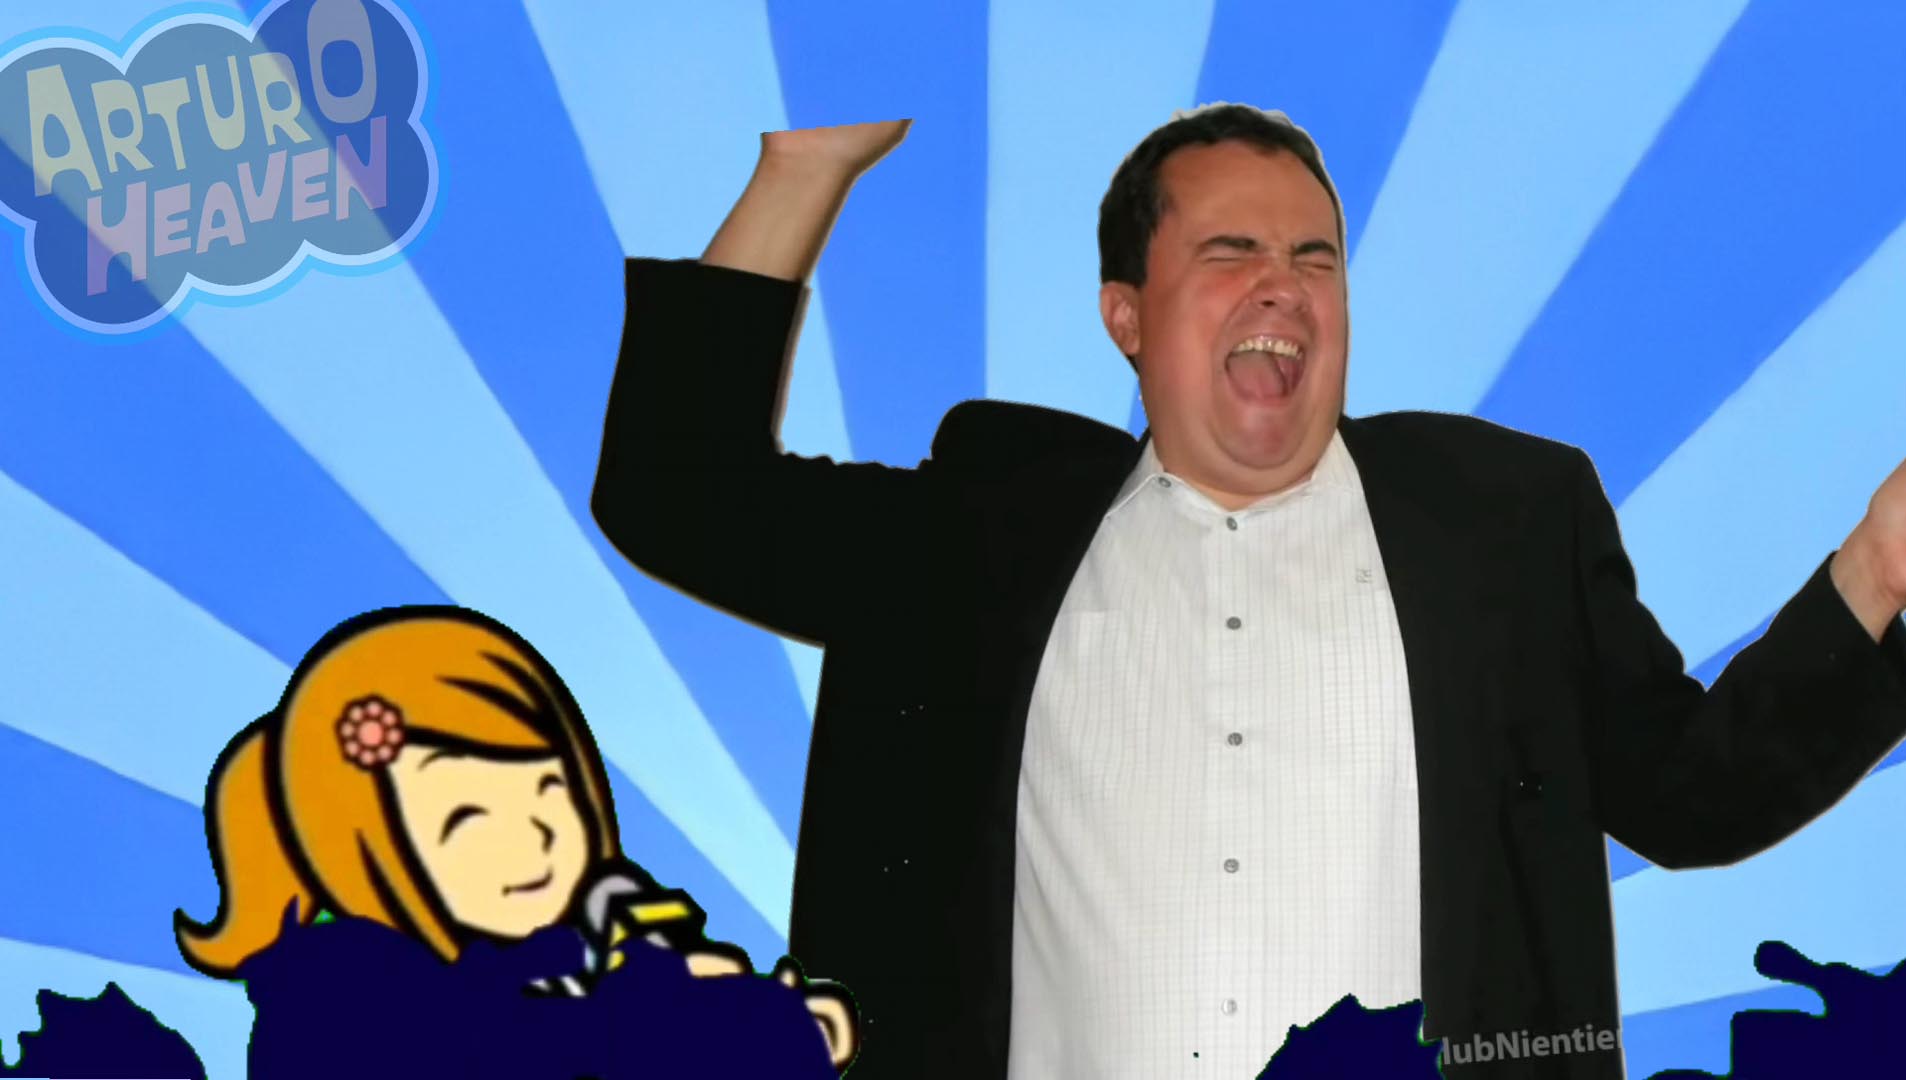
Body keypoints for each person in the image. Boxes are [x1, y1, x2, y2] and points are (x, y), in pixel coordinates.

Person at [589, 105, 1906, 1079]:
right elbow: (677, 493)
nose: (1284, 283)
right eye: (1230, 250)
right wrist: (804, 167)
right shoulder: (979, 533)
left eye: (1316, 257)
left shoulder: (1505, 521)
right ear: (1126, 314)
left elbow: (1688, 795)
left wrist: (1875, 572)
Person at [174, 605, 857, 1079]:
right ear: (362, 847)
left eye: (550, 789)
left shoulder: (586, 942)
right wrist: (717, 1010)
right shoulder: (342, 1003)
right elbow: (549, 1046)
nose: (537, 835)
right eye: (467, 820)